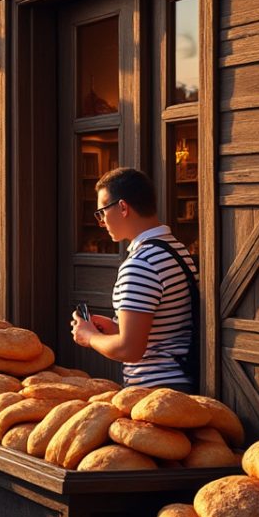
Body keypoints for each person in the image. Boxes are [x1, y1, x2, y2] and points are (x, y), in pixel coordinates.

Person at [71, 167, 198, 391]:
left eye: (101, 212)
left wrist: (89, 337)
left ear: (122, 207)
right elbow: (163, 328)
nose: (102, 222)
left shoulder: (141, 264)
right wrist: (113, 326)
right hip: (180, 382)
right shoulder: (176, 250)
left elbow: (129, 350)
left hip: (154, 389)